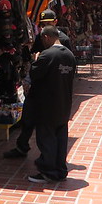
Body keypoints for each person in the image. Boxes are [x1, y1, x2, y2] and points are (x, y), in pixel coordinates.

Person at [4, 9, 69, 159]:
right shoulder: (41, 37)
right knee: (28, 116)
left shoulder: (63, 40)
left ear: (55, 22)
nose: (45, 27)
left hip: (52, 88)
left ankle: (49, 157)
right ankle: (22, 146)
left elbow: (67, 64)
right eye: (43, 24)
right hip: (37, 83)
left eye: (48, 23)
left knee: (49, 124)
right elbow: (34, 56)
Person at [24, 25, 76, 183]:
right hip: (64, 103)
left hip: (47, 104)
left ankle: (48, 171)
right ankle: (60, 170)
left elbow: (34, 74)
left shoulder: (47, 55)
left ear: (46, 37)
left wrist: (35, 60)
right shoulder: (70, 55)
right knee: (60, 139)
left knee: (46, 139)